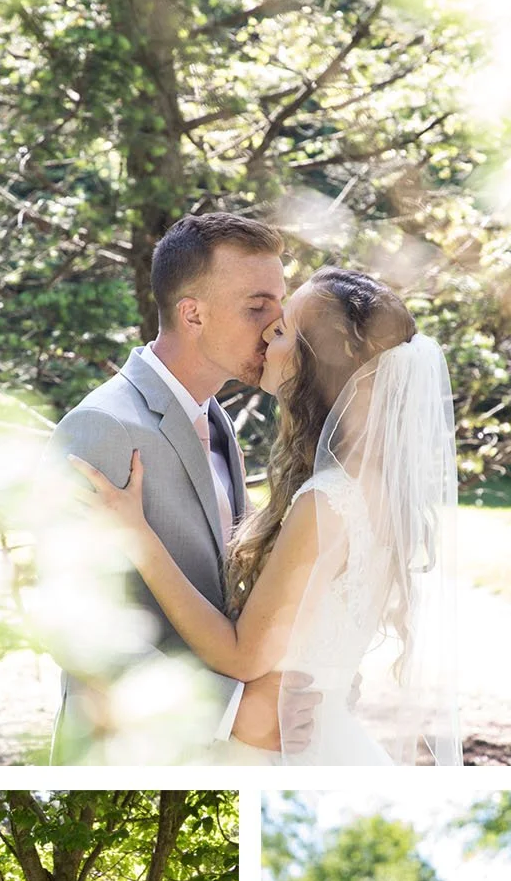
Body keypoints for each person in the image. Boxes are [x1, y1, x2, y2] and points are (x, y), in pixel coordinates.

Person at [72, 263, 460, 765]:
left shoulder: (328, 501)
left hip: (280, 746)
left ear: (316, 361)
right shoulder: (372, 489)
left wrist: (137, 535)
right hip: (318, 734)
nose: (265, 336)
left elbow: (241, 654)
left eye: (279, 330)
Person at [52, 210, 320, 762]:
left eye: (279, 305)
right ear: (192, 314)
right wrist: (229, 709)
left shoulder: (216, 419)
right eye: (256, 307)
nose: (276, 327)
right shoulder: (104, 425)